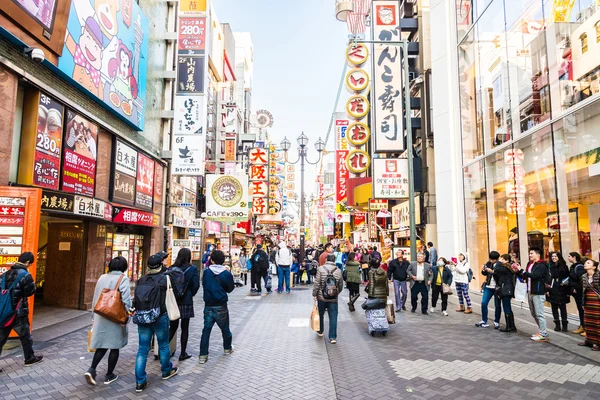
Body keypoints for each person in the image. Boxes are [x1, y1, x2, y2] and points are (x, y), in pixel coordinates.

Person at [133, 253, 179, 393]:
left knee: (142, 349)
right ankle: (166, 370)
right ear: (160, 266)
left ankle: (140, 381)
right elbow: (175, 293)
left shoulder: (141, 280)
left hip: (143, 317)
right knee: (163, 344)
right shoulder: (165, 279)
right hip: (160, 316)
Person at [84, 256, 131, 385]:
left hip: (101, 314)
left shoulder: (102, 277)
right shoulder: (123, 279)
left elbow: (96, 297)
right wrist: (129, 313)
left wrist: (93, 316)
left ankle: (92, 369)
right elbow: (126, 299)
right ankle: (109, 375)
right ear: (123, 267)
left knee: (103, 344)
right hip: (115, 316)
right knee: (114, 346)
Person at [0, 252, 43, 373]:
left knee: (1, 337)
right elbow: (30, 291)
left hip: (4, 311)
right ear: (28, 262)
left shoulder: (5, 275)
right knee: (25, 336)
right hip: (18, 311)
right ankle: (29, 358)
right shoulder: (25, 275)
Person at [199, 250, 235, 364]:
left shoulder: (206, 272)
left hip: (208, 305)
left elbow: (204, 285)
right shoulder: (226, 273)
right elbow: (230, 288)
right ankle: (227, 348)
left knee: (206, 330)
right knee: (225, 329)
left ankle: (203, 355)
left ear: (212, 260)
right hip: (221, 305)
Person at [168, 249, 200, 361]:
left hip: (173, 300)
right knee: (185, 327)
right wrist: (190, 294)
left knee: (172, 326)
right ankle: (183, 353)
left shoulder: (171, 268)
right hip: (186, 300)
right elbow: (196, 285)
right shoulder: (192, 269)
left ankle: (163, 350)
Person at [517, 248, 551, 342]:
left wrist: (522, 271)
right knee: (533, 313)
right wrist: (518, 271)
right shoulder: (530, 264)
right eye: (529, 253)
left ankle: (543, 333)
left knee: (539, 313)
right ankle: (542, 331)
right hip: (530, 291)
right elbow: (526, 276)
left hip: (538, 292)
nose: (530, 255)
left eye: (531, 253)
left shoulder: (542, 265)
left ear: (538, 254)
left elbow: (535, 276)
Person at [313, 254, 343, 344]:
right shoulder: (338, 271)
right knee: (333, 317)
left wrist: (315, 294)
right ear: (334, 260)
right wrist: (336, 292)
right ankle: (332, 337)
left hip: (322, 297)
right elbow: (340, 285)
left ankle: (320, 331)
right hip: (333, 298)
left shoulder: (320, 269)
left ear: (326, 259)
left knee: (321, 314)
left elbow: (317, 283)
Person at [476, 251, 502, 329]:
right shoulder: (488, 263)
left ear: (496, 259)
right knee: (484, 303)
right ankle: (484, 320)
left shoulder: (500, 265)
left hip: (497, 287)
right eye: (490, 259)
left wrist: (493, 272)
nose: (491, 261)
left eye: (492, 259)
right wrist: (484, 270)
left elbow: (500, 274)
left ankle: (496, 321)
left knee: (497, 305)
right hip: (488, 286)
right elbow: (484, 273)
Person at [578, 259, 600, 351]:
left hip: (597, 301)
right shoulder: (584, 276)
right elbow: (583, 291)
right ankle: (589, 340)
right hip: (588, 301)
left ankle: (599, 343)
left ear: (594, 267)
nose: (585, 264)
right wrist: (583, 302)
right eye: (585, 263)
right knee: (588, 320)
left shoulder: (599, 276)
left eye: (588, 263)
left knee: (597, 322)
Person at [494, 254, 518, 333]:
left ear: (507, 260)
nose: (501, 261)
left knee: (506, 307)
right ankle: (512, 326)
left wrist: (498, 262)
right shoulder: (509, 267)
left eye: (502, 259)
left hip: (506, 290)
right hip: (508, 289)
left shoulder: (505, 267)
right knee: (508, 307)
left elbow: (496, 269)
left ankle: (509, 327)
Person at [548, 252, 570, 332]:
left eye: (555, 256)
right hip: (553, 288)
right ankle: (557, 324)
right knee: (554, 306)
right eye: (552, 256)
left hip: (562, 288)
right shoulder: (550, 266)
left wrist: (565, 287)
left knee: (563, 307)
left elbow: (567, 277)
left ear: (559, 257)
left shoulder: (564, 266)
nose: (553, 257)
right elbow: (548, 278)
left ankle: (564, 324)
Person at [568, 252, 586, 335]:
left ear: (574, 257)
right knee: (580, 309)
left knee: (582, 309)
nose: (568, 258)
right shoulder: (574, 266)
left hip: (579, 292)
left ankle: (584, 326)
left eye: (569, 256)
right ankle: (582, 325)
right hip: (575, 292)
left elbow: (582, 280)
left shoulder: (579, 267)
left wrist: (576, 288)